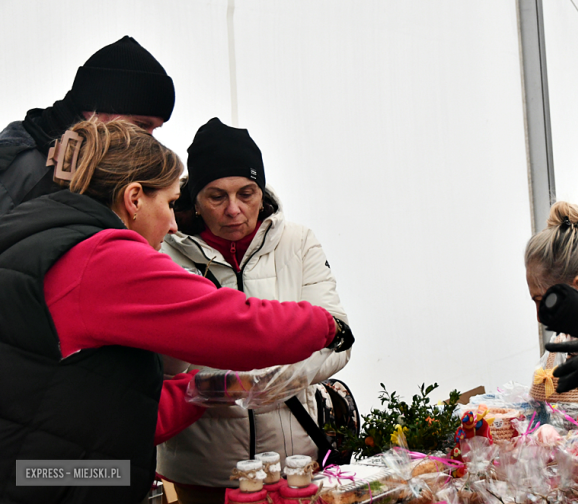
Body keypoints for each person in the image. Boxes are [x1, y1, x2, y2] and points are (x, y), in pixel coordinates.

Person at [0, 118, 348, 504]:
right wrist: (326, 326)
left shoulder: (39, 233)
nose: (171, 224)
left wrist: (201, 389)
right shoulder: (104, 257)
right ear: (134, 199)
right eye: (168, 203)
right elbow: (236, 326)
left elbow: (113, 404)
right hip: (54, 478)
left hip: (46, 467)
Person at [155, 118, 351, 504]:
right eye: (217, 196)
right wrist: (226, 382)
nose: (234, 210)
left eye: (247, 193)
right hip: (205, 468)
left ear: (262, 192)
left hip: (293, 460)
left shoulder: (296, 242)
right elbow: (160, 365)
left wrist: (288, 376)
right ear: (193, 197)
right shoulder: (164, 253)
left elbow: (340, 337)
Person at [0, 35, 175, 216]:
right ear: (96, 110)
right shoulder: (21, 170)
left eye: (154, 129)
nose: (150, 141)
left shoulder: (100, 173)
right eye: (141, 125)